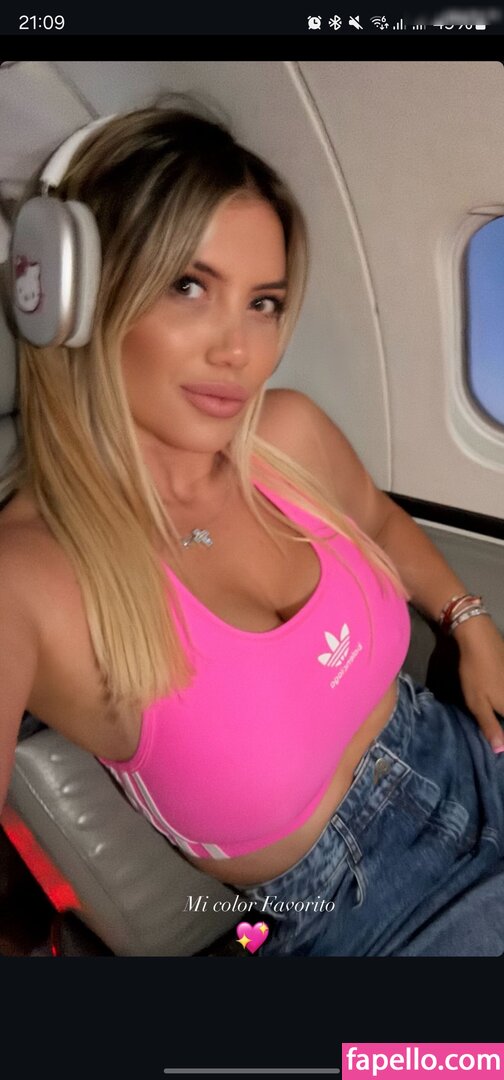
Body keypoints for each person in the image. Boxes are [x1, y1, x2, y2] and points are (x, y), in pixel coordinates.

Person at [1, 98, 504, 958]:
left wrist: (471, 622)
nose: (239, 351)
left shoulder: (288, 435)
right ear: (72, 301)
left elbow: (380, 521)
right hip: (368, 913)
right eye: (189, 286)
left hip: (463, 753)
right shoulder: (30, 579)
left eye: (263, 302)